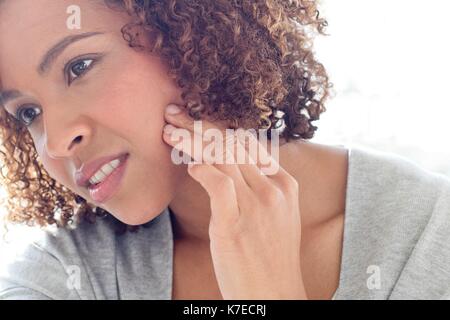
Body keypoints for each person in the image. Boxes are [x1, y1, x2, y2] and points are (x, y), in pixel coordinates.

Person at [0, 0, 449, 300]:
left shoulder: (429, 240)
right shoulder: (64, 278)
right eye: (28, 113)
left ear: (184, 35)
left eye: (79, 67)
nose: (55, 141)